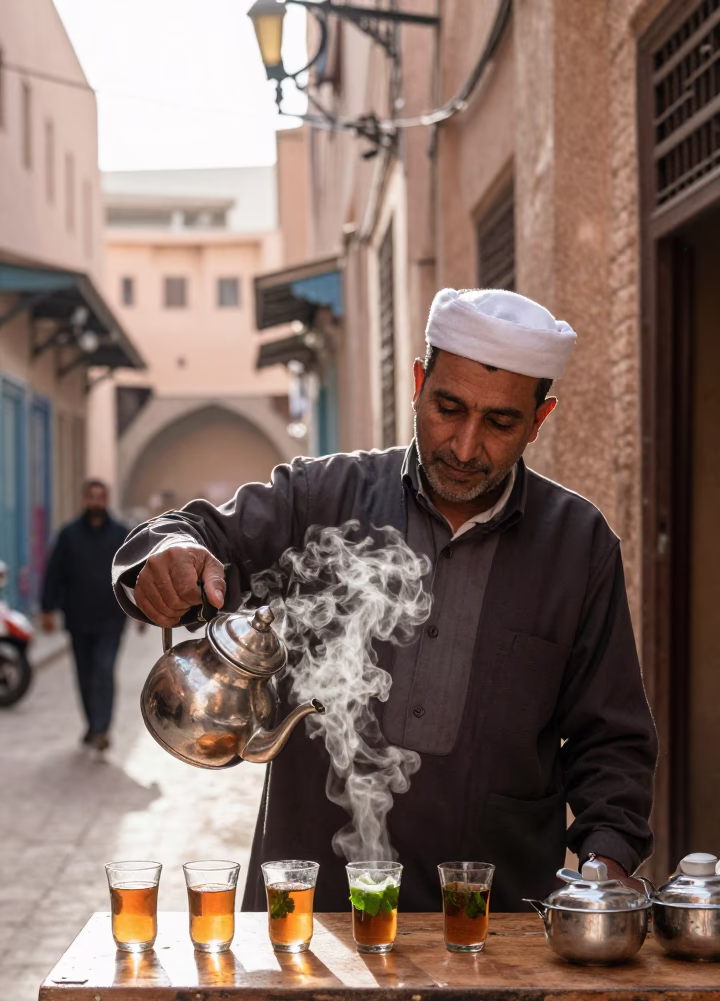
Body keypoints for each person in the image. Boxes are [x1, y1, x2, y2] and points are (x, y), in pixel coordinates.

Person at [112, 289, 658, 911]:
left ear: (539, 419)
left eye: (501, 423)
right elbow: (187, 532)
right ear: (419, 385)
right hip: (315, 914)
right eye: (448, 408)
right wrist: (164, 559)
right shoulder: (321, 497)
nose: (464, 445)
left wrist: (605, 863)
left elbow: (611, 738)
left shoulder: (578, 546)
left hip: (492, 919)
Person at [43, 479, 129, 753]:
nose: (96, 502)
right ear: (84, 500)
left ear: (107, 500)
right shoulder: (68, 535)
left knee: (104, 670)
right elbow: (54, 574)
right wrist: (47, 608)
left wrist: (142, 611)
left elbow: (133, 576)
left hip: (112, 618)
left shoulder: (121, 535)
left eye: (100, 497)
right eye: (91, 497)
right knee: (85, 674)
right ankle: (92, 725)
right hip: (78, 617)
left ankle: (102, 728)